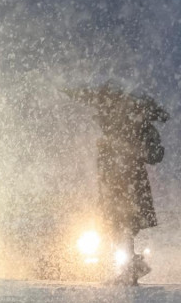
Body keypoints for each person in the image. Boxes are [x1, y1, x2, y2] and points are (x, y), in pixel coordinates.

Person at [65, 80, 168, 285]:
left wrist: (127, 148)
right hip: (118, 182)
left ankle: (131, 269)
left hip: (126, 183)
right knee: (120, 226)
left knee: (122, 226)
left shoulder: (131, 128)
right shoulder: (118, 126)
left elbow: (154, 154)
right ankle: (131, 268)